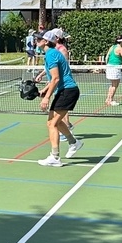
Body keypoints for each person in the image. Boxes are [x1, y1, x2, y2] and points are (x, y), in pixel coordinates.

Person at [37, 30, 82, 167]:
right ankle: (74, 142)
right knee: (54, 121)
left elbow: (56, 78)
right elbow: (55, 78)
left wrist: (47, 98)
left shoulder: (51, 54)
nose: (36, 41)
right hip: (65, 90)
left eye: (39, 39)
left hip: (68, 91)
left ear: (46, 41)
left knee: (52, 124)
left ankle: (55, 157)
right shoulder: (51, 54)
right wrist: (44, 91)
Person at [104, 35, 122, 106]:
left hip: (109, 67)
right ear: (121, 41)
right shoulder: (121, 49)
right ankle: (110, 100)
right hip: (115, 68)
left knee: (112, 84)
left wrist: (107, 66)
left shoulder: (112, 47)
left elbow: (107, 57)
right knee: (115, 85)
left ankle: (108, 99)